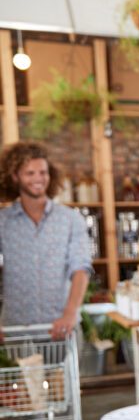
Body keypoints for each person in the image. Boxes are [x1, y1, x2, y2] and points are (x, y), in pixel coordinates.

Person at [0, 141, 92, 340]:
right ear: (15, 176)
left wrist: (70, 313)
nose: (38, 179)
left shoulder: (70, 219)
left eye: (43, 172)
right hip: (15, 331)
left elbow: (81, 268)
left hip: (60, 328)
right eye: (30, 173)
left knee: (63, 373)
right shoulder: (3, 222)